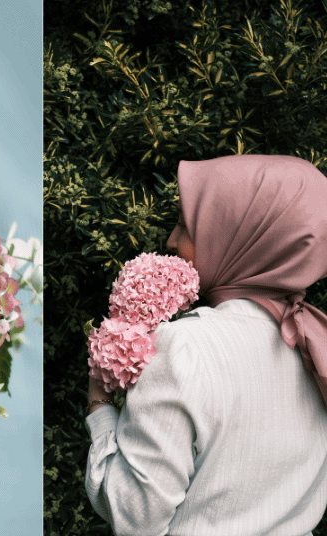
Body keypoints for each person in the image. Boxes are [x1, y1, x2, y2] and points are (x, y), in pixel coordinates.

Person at [85, 154, 327, 535]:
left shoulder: (184, 346)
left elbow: (135, 517)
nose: (171, 240)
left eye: (185, 225)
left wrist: (99, 405)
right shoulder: (315, 348)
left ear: (233, 234)